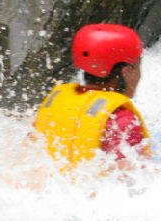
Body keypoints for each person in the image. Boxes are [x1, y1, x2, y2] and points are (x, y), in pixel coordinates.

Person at [33, 23, 150, 172]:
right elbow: (135, 181)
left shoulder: (56, 100)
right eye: (138, 66)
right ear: (126, 71)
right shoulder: (121, 120)